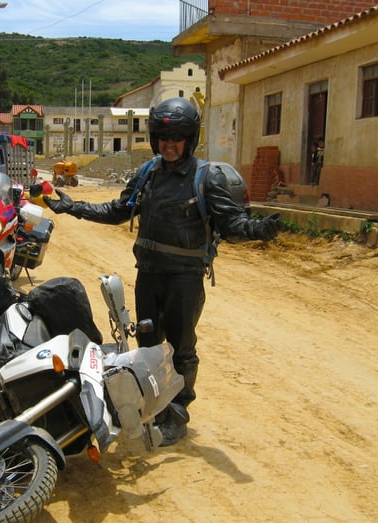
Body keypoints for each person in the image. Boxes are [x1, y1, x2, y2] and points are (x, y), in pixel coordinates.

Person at [43, 97, 282, 446]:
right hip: (149, 274)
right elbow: (118, 210)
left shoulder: (207, 178)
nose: (169, 145)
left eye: (178, 139)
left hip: (184, 278)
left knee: (182, 347)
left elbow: (231, 224)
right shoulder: (148, 173)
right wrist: (72, 207)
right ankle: (152, 405)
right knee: (149, 345)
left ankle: (178, 414)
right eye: (164, 138)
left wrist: (256, 230)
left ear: (190, 139)